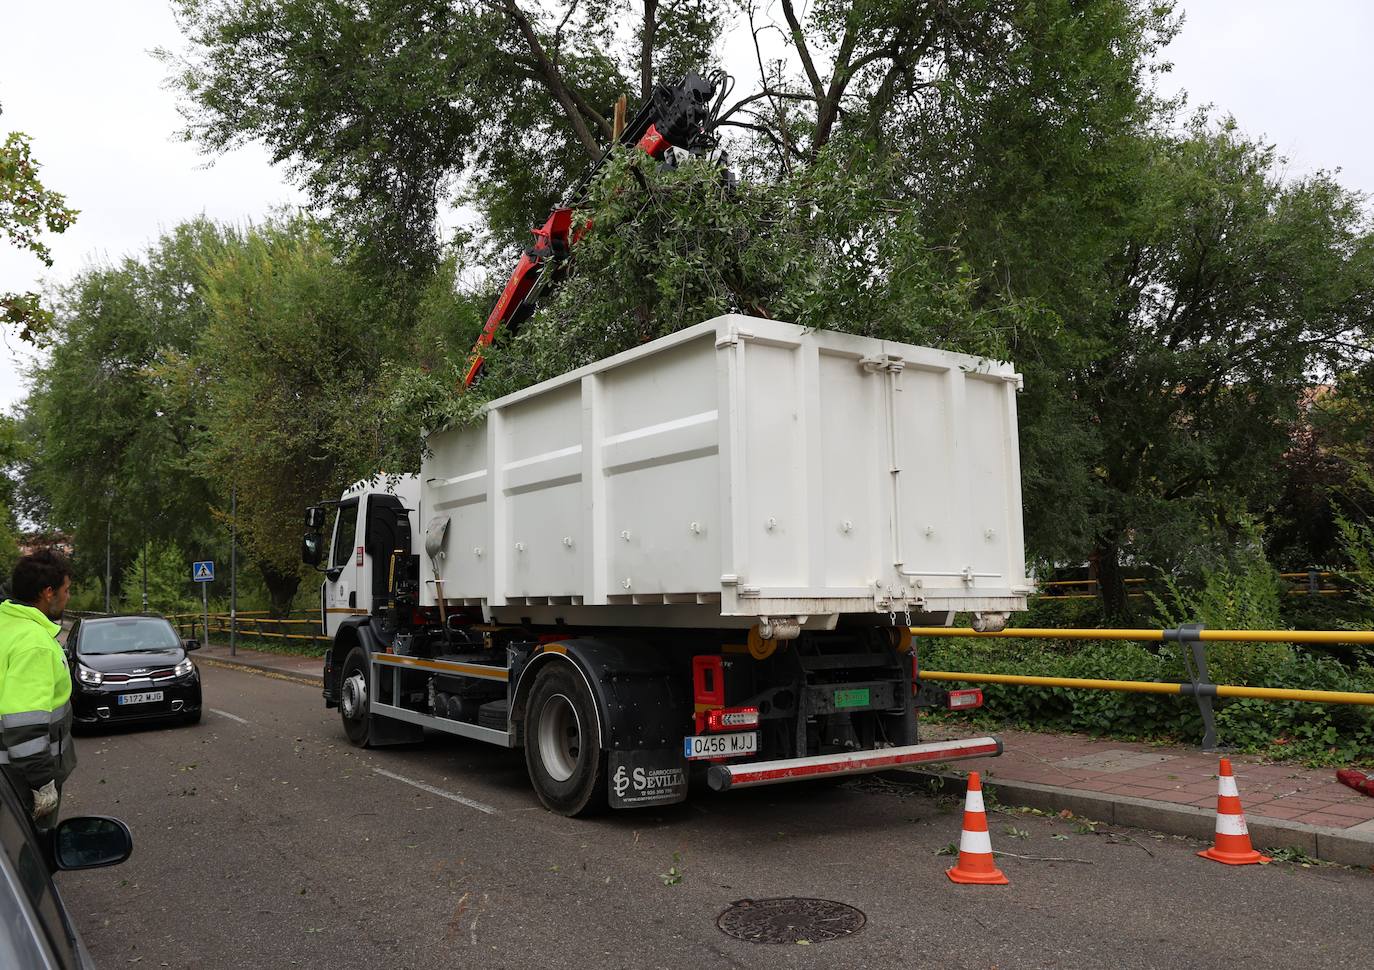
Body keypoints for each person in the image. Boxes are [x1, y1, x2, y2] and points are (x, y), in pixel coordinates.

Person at [0, 549, 77, 829]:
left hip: (8, 773)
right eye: (66, 590)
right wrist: (43, 785)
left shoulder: (5, 622)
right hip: (21, 779)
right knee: (32, 856)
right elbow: (25, 727)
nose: (68, 596)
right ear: (48, 593)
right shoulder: (34, 644)